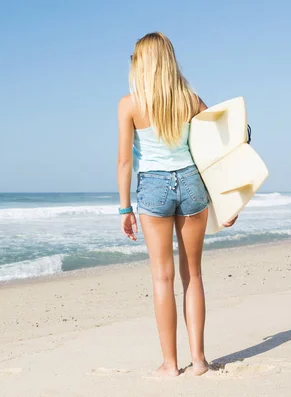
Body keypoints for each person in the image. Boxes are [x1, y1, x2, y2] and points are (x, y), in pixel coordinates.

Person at [116, 32, 237, 377]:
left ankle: (170, 364)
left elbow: (125, 162)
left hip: (153, 188)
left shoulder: (130, 104)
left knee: (161, 279)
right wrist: (229, 200)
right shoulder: (191, 99)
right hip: (192, 183)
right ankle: (199, 360)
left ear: (141, 64)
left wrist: (125, 209)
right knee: (193, 275)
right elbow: (218, 150)